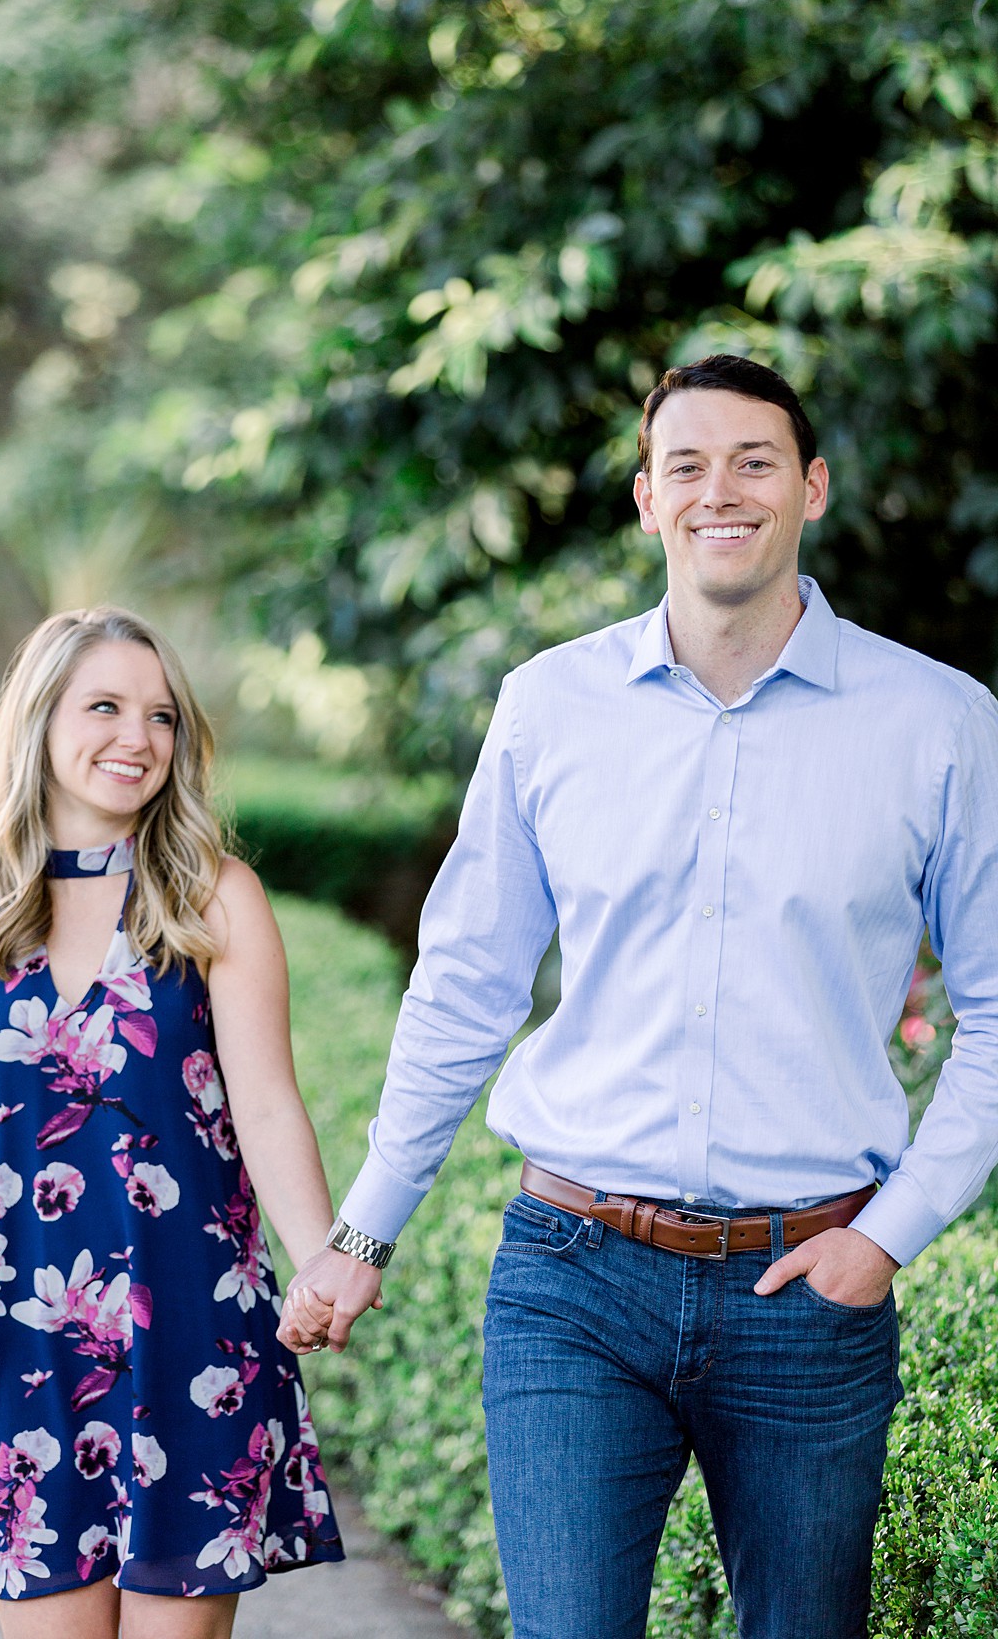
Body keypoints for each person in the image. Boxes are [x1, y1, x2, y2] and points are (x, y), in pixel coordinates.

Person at [278, 355, 998, 1639]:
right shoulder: (551, 707)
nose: (721, 490)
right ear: (647, 501)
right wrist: (364, 1231)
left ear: (813, 488)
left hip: (809, 1291)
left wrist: (889, 1237)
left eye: (755, 461)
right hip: (573, 1277)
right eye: (688, 466)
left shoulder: (938, 725)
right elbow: (467, 985)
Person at [0, 605, 344, 1638]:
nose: (137, 738)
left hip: (192, 1333)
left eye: (162, 717)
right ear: (41, 721)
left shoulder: (215, 899)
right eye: (105, 706)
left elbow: (267, 1099)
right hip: (21, 1344)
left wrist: (319, 1259)